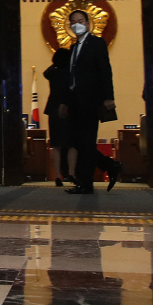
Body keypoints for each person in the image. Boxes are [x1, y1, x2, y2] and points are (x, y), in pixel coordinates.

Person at [65, 10, 122, 194]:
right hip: (75, 101)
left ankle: (86, 183)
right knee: (78, 142)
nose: (76, 24)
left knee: (86, 141)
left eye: (80, 21)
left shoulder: (97, 43)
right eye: (73, 22)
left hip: (90, 100)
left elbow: (105, 70)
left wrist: (109, 96)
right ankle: (109, 165)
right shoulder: (73, 47)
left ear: (88, 23)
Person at [43, 48, 77, 186]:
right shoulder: (71, 73)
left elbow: (46, 72)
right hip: (70, 109)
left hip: (53, 109)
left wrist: (55, 62)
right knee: (72, 145)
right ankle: (71, 173)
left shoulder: (52, 72)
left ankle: (57, 176)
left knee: (56, 145)